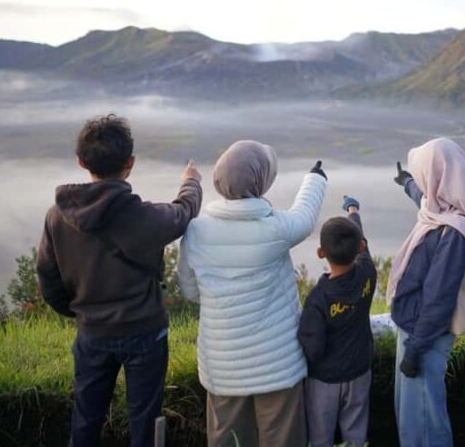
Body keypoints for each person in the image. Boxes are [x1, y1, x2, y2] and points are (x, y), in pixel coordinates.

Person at [35, 114, 203, 447]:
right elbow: (184, 211)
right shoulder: (143, 216)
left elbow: (48, 281)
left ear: (82, 162)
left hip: (92, 333)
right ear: (130, 163)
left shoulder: (57, 216)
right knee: (146, 422)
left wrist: (83, 313)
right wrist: (191, 180)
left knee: (85, 421)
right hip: (145, 332)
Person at [177, 140, 327, 447]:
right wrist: (315, 179)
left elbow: (190, 291)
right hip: (278, 366)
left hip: (223, 367)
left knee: (228, 439)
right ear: (261, 181)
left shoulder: (195, 231)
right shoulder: (275, 228)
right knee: (282, 438)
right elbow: (306, 215)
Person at [390, 138, 465, 447]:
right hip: (415, 331)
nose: (422, 182)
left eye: (422, 173)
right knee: (410, 416)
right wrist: (407, 183)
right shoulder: (443, 210)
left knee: (425, 422)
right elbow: (424, 199)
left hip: (425, 338)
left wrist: (415, 351)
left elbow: (438, 299)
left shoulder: (454, 232)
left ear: (437, 177)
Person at [298, 195, 377, 447]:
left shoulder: (318, 298)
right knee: (356, 434)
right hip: (359, 372)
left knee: (320, 437)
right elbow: (361, 242)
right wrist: (353, 212)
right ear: (361, 248)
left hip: (324, 381)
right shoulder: (367, 273)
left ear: (321, 253)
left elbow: (312, 347)